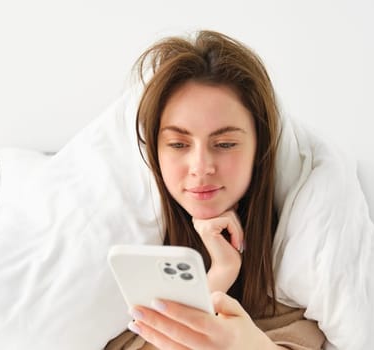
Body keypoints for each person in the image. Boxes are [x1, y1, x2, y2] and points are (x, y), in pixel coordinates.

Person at [105, 31, 326, 349]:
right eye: (178, 143)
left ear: (258, 148)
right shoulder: (120, 253)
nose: (201, 166)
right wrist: (220, 273)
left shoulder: (299, 266)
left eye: (224, 144)